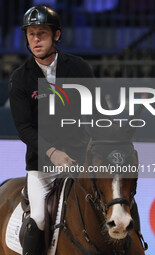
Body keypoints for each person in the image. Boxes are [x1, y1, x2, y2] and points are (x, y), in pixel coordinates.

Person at [8, 5, 97, 255]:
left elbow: (95, 112)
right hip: (41, 165)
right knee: (38, 217)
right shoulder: (21, 78)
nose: (36, 40)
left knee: (116, 201)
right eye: (31, 34)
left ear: (56, 35)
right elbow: (23, 128)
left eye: (42, 33)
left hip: (81, 160)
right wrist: (52, 152)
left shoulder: (79, 69)